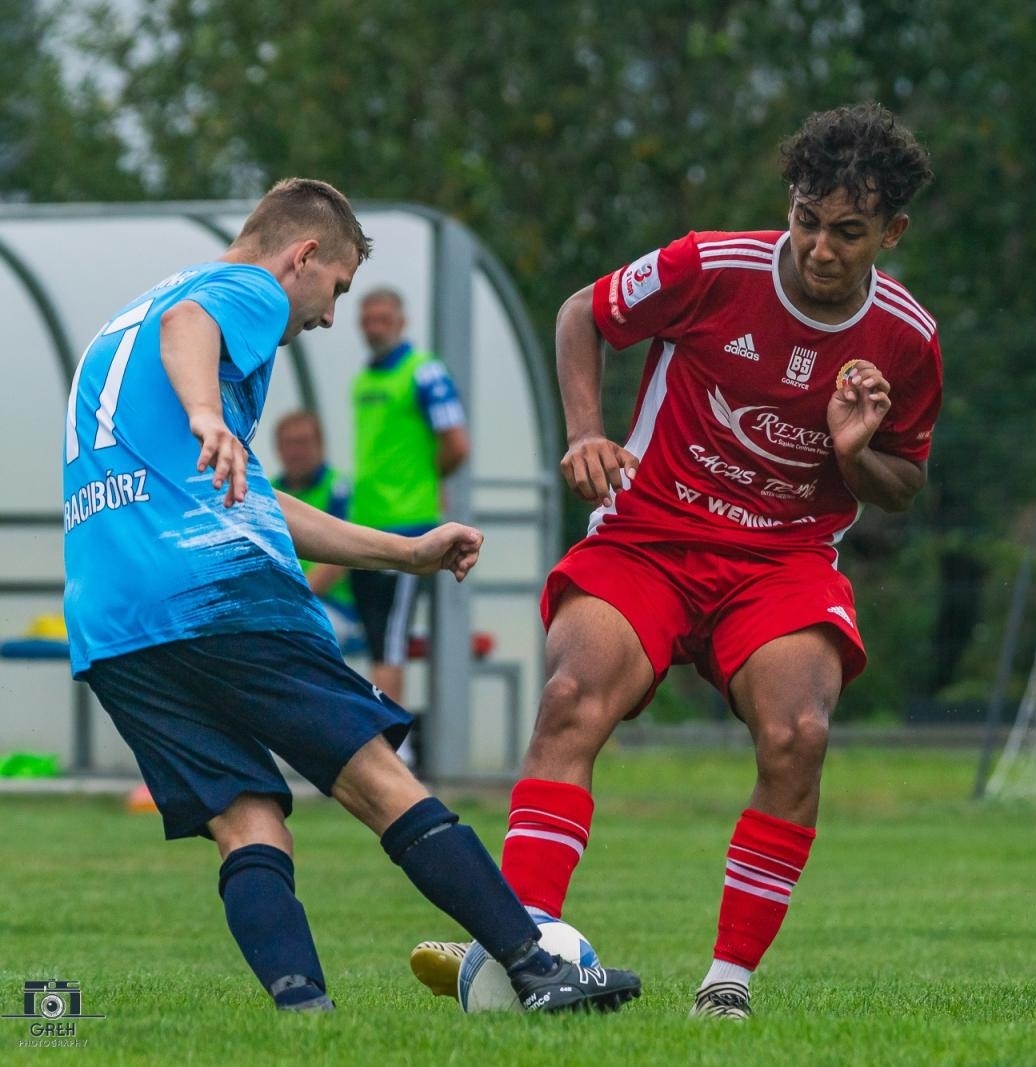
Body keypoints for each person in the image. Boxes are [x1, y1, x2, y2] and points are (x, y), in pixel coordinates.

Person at [406, 103, 940, 1019]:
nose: (818, 247)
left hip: (782, 561)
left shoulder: (907, 338)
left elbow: (906, 484)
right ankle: (529, 951)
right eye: (806, 219)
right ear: (790, 202)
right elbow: (583, 312)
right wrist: (585, 432)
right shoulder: (710, 265)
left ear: (889, 233)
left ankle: (725, 986)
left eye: (847, 233)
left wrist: (854, 452)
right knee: (571, 698)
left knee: (798, 735)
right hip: (648, 538)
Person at [61, 177, 639, 1013]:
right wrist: (204, 413)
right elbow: (195, 332)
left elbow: (253, 496)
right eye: (334, 287)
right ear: (302, 257)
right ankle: (536, 964)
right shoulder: (238, 291)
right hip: (216, 591)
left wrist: (405, 552)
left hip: (115, 621)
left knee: (247, 815)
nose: (329, 316)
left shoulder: (127, 319)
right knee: (375, 775)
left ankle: (307, 1014)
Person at [347, 287, 470, 712]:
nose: (374, 327)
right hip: (366, 522)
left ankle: (395, 746)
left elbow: (456, 444)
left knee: (391, 641)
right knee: (376, 637)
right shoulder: (364, 378)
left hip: (409, 525)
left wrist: (422, 483)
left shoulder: (424, 373)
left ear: (401, 321)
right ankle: (384, 739)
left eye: (382, 318)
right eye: (367, 318)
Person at [271, 410, 359, 648]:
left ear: (320, 445)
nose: (295, 452)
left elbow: (339, 559)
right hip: (281, 605)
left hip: (330, 605)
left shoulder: (340, 489)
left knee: (299, 638)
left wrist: (291, 599)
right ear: (277, 449)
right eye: (288, 443)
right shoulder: (267, 491)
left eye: (303, 443)